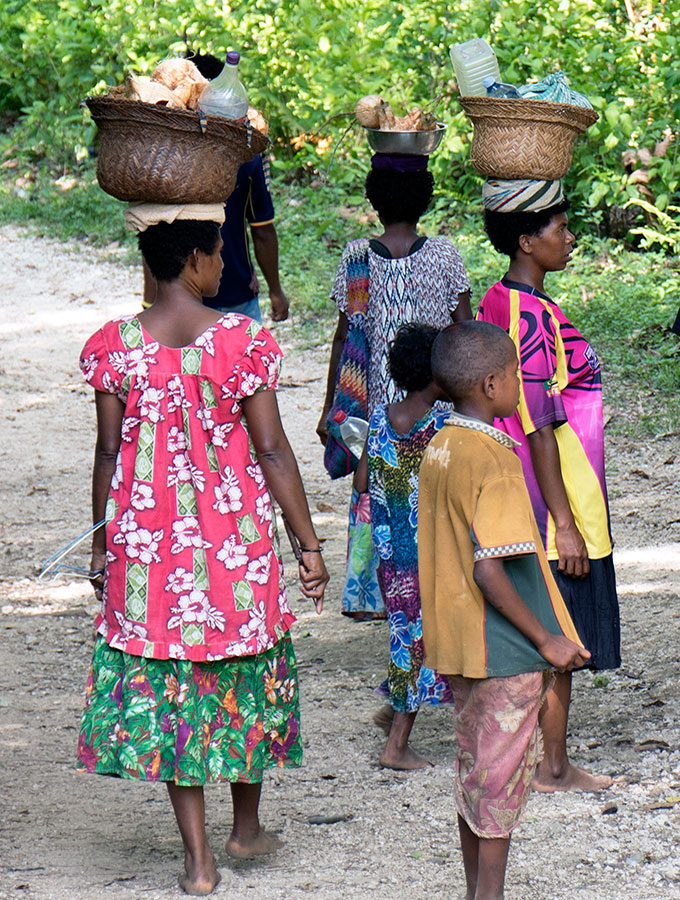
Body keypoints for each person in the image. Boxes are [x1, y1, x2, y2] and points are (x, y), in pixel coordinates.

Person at [77, 207, 328, 896]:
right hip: (234, 552)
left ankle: (199, 861)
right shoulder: (242, 342)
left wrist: (102, 551)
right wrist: (307, 545)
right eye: (219, 254)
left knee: (172, 694)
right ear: (193, 259)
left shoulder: (113, 346)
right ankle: (245, 828)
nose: (224, 266)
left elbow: (106, 454)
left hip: (149, 555)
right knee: (247, 677)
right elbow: (273, 450)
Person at [418, 320, 590, 900]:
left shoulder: (440, 443)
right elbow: (491, 567)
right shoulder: (493, 459)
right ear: (492, 384)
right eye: (516, 374)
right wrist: (547, 640)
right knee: (498, 782)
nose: (520, 384)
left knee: (476, 772)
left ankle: (474, 893)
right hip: (504, 649)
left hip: (459, 641)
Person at [477, 179, 620, 793]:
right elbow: (536, 424)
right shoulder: (527, 315)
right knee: (560, 625)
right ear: (527, 241)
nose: (570, 239)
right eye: (560, 230)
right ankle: (552, 766)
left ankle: (545, 758)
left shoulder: (504, 301)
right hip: (552, 492)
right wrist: (563, 521)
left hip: (540, 487)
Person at [317, 154, 472, 619]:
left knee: (382, 499)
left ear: (373, 200)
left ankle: (384, 593)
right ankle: (440, 591)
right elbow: (465, 331)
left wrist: (330, 407)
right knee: (438, 500)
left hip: (381, 413)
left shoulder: (358, 258)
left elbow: (347, 337)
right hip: (438, 407)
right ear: (425, 199)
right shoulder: (445, 255)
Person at [353, 324, 453, 769]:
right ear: (438, 374)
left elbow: (361, 485)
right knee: (419, 641)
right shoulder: (442, 426)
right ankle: (396, 745)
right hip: (430, 554)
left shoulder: (379, 418)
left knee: (404, 635)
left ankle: (394, 712)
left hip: (390, 554)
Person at [143, 52, 289, 323]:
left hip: (178, 302)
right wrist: (276, 291)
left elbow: (152, 233)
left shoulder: (163, 158)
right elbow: (263, 231)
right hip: (236, 293)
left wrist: (149, 301)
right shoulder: (244, 156)